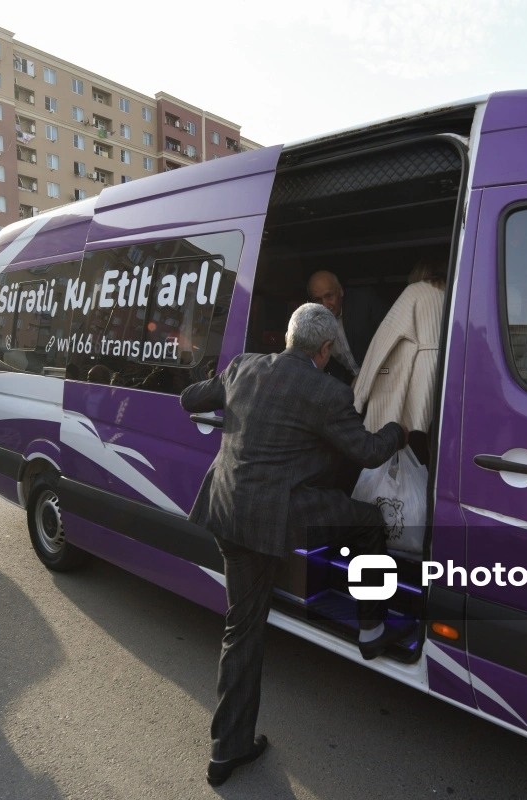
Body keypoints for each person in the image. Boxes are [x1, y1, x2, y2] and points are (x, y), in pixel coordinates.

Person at [180, 302, 412, 786]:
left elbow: (190, 399)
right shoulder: (325, 392)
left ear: (288, 337)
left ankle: (228, 749)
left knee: (240, 629)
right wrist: (400, 430)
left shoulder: (244, 366)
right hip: (274, 515)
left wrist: (214, 383)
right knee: (369, 521)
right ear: (325, 349)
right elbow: (369, 452)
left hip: (225, 508)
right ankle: (372, 629)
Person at [352, 260, 446, 443]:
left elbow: (384, 341)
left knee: (415, 441)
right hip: (445, 369)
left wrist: (358, 396)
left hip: (421, 373)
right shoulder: (454, 294)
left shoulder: (415, 291)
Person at [306, 270, 388, 385]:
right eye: (318, 300)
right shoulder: (314, 324)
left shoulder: (364, 301)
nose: (325, 305)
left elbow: (390, 342)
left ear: (340, 291)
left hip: (384, 373)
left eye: (329, 296)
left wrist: (364, 376)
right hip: (353, 387)